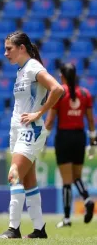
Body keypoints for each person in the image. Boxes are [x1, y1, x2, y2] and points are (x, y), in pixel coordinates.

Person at [0, 31, 63, 239]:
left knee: (14, 176)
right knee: (29, 181)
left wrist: (39, 113)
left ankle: (13, 229)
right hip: (18, 130)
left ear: (22, 48)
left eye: (9, 49)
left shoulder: (33, 68)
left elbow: (57, 89)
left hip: (30, 130)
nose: (5, 53)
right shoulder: (21, 71)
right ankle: (39, 229)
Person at [45, 63, 95, 228]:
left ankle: (66, 219)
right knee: (77, 177)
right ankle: (87, 198)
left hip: (64, 137)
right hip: (80, 138)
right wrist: (93, 141)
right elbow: (90, 119)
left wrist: (43, 138)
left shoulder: (59, 93)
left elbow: (51, 120)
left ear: (63, 76)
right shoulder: (85, 93)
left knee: (66, 181)